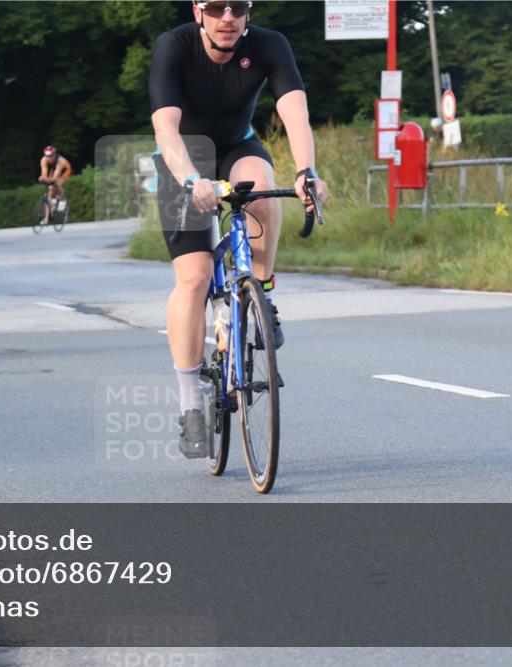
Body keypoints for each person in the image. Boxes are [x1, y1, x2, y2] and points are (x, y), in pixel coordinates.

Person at [149, 0, 328, 457]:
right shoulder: (174, 46)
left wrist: (307, 171)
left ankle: (260, 291)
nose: (226, 17)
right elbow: (166, 129)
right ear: (198, 12)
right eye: (215, 7)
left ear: (248, 13)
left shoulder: (271, 45)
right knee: (194, 279)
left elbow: (294, 112)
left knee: (264, 184)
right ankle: (191, 404)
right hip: (183, 159)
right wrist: (191, 179)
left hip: (237, 147)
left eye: (238, 7)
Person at [37, 145, 72, 213]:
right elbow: (44, 173)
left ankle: (63, 201)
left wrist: (48, 181)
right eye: (47, 156)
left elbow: (55, 178)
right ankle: (47, 217)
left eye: (50, 156)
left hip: (65, 170)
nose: (49, 158)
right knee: (49, 193)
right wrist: (42, 178)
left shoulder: (60, 161)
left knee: (56, 183)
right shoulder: (43, 160)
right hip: (53, 169)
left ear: (54, 154)